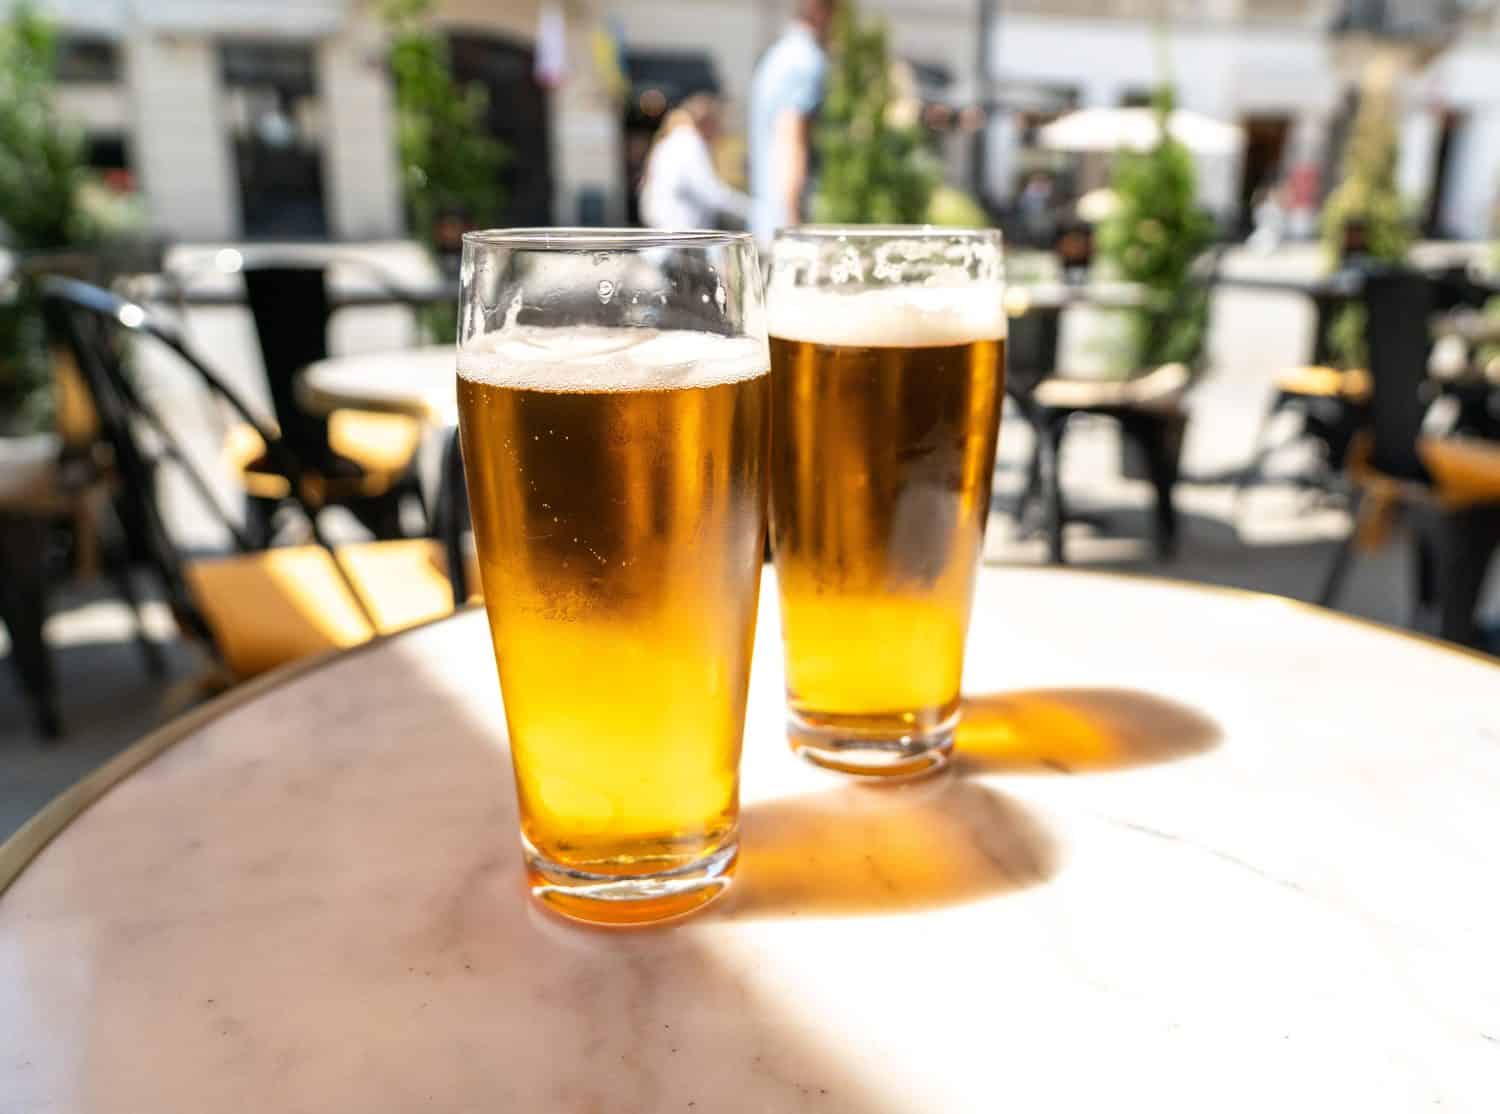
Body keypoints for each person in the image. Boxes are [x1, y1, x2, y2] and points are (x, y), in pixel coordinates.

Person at [748, 0, 836, 243]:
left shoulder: (778, 54)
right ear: (822, 10)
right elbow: (791, 136)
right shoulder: (806, 60)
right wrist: (792, 220)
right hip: (784, 223)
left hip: (765, 218)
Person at [639, 94, 751, 231]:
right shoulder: (689, 144)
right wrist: (752, 209)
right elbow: (711, 192)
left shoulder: (674, 140)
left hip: (669, 228)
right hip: (679, 231)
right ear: (708, 123)